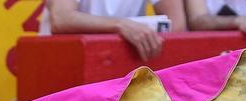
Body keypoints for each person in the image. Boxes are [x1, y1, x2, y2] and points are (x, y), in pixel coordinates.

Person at [42, 0, 187, 61]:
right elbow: (61, 19)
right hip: (66, 61)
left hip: (128, 59)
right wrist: (120, 25)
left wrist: (147, 37)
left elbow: (176, 24)